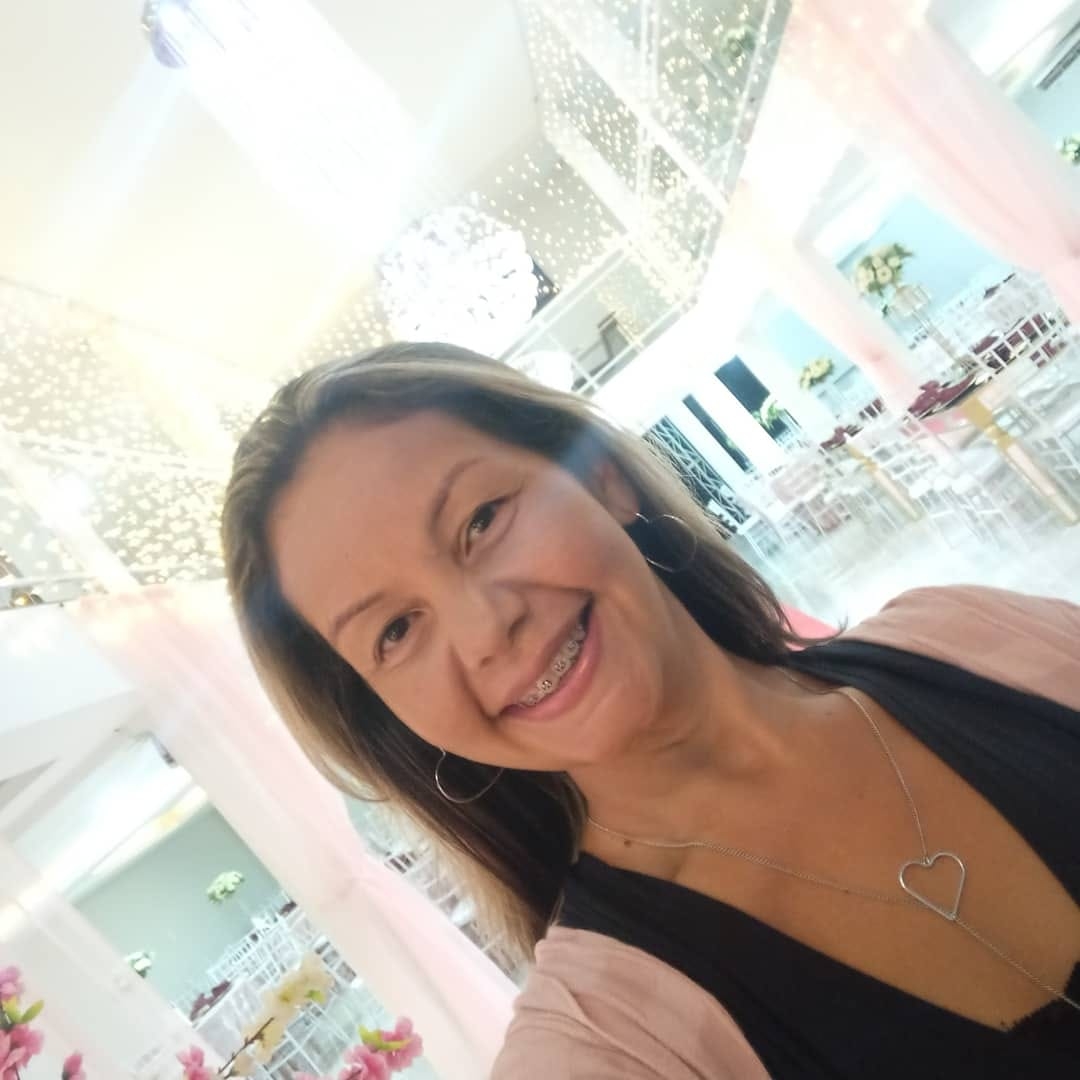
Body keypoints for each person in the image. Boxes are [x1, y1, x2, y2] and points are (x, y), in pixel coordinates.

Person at [221, 342, 1080, 1078]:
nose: (487, 628)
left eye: (481, 520)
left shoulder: (968, 636)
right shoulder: (607, 1049)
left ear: (601, 477)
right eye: (397, 630)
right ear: (389, 716)